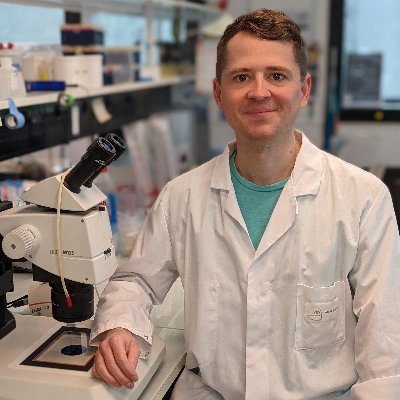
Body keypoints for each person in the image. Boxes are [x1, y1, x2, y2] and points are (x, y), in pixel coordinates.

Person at [90, 8, 400, 399]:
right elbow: (136, 280)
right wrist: (120, 325)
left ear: (303, 90)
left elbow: (385, 338)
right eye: (241, 77)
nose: (259, 91)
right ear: (219, 93)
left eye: (277, 75)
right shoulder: (182, 197)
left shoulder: (363, 198)